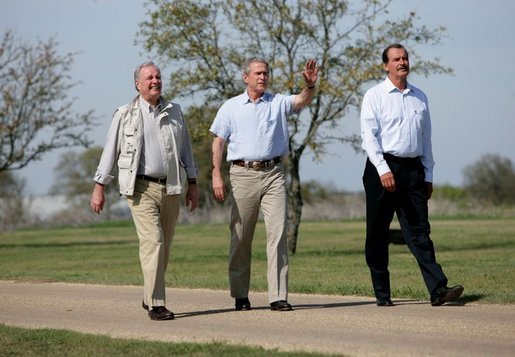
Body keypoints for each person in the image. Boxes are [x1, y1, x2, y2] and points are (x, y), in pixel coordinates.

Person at [90, 61, 199, 320]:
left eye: (158, 76)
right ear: (138, 84)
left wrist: (193, 183)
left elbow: (186, 151)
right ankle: (156, 305)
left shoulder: (175, 111)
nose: (155, 81)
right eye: (149, 77)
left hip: (171, 186)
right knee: (154, 243)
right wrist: (99, 187)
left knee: (165, 248)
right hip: (140, 188)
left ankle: (149, 294)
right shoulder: (124, 113)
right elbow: (110, 151)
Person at [210, 57, 319, 312]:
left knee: (278, 234)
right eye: (258, 73)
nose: (263, 77)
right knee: (241, 236)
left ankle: (278, 296)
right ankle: (240, 294)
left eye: (266, 73)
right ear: (245, 77)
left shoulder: (278, 102)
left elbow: (301, 100)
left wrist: (310, 87)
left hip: (273, 174)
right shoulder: (231, 107)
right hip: (242, 174)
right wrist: (217, 174)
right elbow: (218, 142)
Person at [360, 44, 464, 307]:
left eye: (405, 58)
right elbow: (368, 138)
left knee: (419, 232)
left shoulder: (420, 97)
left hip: (413, 171)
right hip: (381, 168)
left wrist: (428, 174)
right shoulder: (374, 96)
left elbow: (426, 139)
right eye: (396, 59)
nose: (402, 62)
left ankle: (438, 289)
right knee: (377, 234)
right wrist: (383, 169)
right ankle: (383, 294)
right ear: (386, 65)